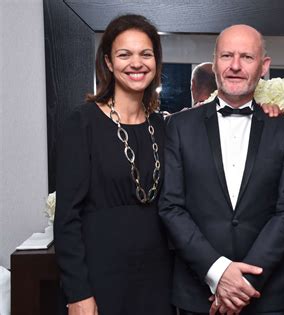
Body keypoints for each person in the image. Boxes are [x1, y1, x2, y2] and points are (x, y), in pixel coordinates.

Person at [159, 24, 284, 315]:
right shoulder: (178, 127)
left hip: (264, 295)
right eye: (226, 56)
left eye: (246, 57)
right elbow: (171, 207)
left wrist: (242, 283)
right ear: (215, 63)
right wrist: (218, 272)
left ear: (264, 66)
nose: (235, 66)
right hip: (198, 295)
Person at [54, 14, 174, 315]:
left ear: (156, 62)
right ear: (108, 62)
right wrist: (78, 293)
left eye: (146, 54)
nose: (137, 63)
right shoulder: (82, 123)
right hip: (101, 279)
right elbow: (67, 218)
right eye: (125, 54)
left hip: (159, 280)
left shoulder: (164, 127)